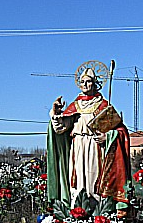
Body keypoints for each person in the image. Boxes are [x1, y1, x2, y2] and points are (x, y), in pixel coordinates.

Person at [47, 64, 132, 212]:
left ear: (95, 83)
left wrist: (108, 137)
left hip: (95, 147)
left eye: (88, 81)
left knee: (93, 180)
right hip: (78, 146)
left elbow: (120, 130)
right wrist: (55, 113)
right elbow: (60, 128)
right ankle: (78, 214)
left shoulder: (103, 105)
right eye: (82, 82)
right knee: (78, 180)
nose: (85, 85)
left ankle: (97, 215)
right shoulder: (74, 106)